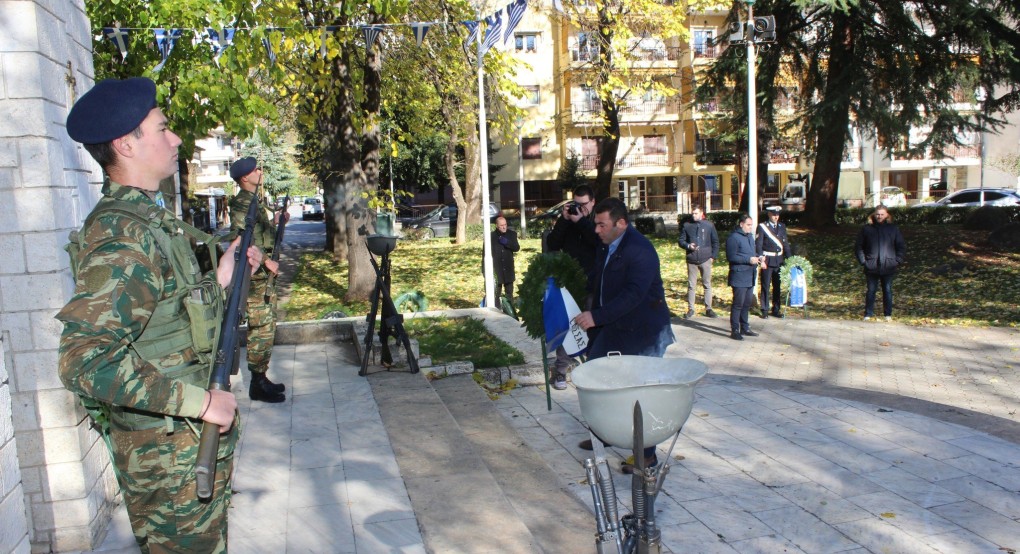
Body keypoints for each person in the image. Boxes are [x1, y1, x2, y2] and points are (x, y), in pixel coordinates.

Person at [57, 77, 262, 552]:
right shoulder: (123, 235)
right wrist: (201, 403)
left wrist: (222, 278)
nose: (175, 139)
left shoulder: (147, 218)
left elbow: (165, 314)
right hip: (167, 458)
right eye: (163, 129)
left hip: (180, 449)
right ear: (126, 144)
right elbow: (85, 360)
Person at [575, 198, 675, 473]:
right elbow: (601, 281)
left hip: (644, 332)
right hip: (615, 327)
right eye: (595, 223)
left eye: (601, 224)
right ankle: (608, 433)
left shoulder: (640, 250)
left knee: (638, 395)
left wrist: (596, 317)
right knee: (596, 376)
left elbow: (633, 295)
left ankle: (647, 458)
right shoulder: (609, 244)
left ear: (621, 224)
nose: (597, 230)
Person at [229, 157, 288, 403]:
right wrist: (267, 261)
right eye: (255, 170)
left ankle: (260, 377)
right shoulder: (242, 204)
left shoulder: (253, 202)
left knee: (266, 326)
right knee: (261, 327)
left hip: (263, 277)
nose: (260, 171)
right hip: (255, 278)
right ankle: (257, 384)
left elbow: (261, 235)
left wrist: (275, 223)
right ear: (245, 178)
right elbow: (245, 241)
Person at [545, 184, 599, 390]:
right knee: (569, 328)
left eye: (583, 205)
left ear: (592, 202)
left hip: (593, 284)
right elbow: (552, 243)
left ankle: (594, 369)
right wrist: (564, 220)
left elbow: (598, 243)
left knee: (593, 328)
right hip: (570, 283)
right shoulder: (569, 220)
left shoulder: (597, 220)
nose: (580, 208)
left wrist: (582, 222)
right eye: (576, 204)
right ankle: (560, 372)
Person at [855, 205, 906, 321]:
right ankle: (868, 314)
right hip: (871, 265)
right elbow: (858, 247)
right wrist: (863, 261)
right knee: (871, 291)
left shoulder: (893, 229)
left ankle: (888, 314)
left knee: (887, 290)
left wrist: (897, 260)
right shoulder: (867, 229)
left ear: (887, 215)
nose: (879, 216)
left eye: (882, 214)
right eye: (878, 214)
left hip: (889, 265)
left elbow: (901, 246)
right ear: (874, 214)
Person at [677, 204, 720, 319]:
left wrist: (712, 257)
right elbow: (681, 241)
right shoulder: (687, 225)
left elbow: (715, 242)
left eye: (696, 213)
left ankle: (709, 308)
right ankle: (691, 309)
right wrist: (688, 245)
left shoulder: (709, 225)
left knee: (707, 284)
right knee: (691, 285)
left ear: (701, 213)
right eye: (692, 213)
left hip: (706, 259)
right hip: (691, 260)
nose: (693, 215)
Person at [726, 214, 764, 341]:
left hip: (750, 274)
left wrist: (759, 257)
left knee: (747, 303)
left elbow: (753, 252)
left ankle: (745, 327)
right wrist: (748, 259)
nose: (750, 227)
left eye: (751, 225)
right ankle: (735, 329)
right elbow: (731, 257)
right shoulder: (733, 238)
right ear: (741, 224)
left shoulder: (750, 237)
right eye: (748, 225)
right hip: (739, 275)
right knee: (738, 303)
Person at [755, 206, 792, 318]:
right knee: (766, 285)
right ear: (769, 214)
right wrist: (761, 259)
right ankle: (764, 309)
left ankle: (776, 309)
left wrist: (790, 259)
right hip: (767, 259)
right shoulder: (762, 227)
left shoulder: (781, 226)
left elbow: (785, 243)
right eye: (774, 214)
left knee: (777, 286)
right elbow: (759, 244)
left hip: (779, 260)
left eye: (778, 214)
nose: (776, 217)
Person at [489, 215, 521, 309]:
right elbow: (485, 254)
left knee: (509, 293)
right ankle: (497, 311)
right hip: (497, 269)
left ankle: (510, 311)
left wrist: (507, 242)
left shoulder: (512, 234)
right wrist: (485, 270)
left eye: (505, 224)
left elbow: (516, 248)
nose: (504, 227)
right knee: (496, 294)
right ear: (497, 226)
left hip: (508, 269)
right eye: (501, 225)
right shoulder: (491, 237)